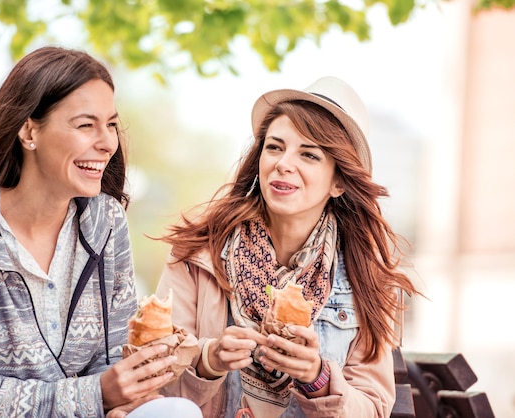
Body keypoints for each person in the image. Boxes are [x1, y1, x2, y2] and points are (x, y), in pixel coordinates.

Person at [0, 46, 201, 418]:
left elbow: (114, 355)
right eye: (86, 125)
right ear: (28, 130)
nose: (107, 142)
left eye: (111, 124)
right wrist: (96, 395)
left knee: (179, 411)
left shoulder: (107, 221)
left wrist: (129, 399)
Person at [154, 76, 420, 417]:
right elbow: (154, 385)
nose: (283, 163)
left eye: (308, 154)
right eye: (275, 147)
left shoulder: (364, 276)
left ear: (339, 181)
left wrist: (316, 377)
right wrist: (209, 360)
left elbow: (372, 408)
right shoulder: (199, 254)